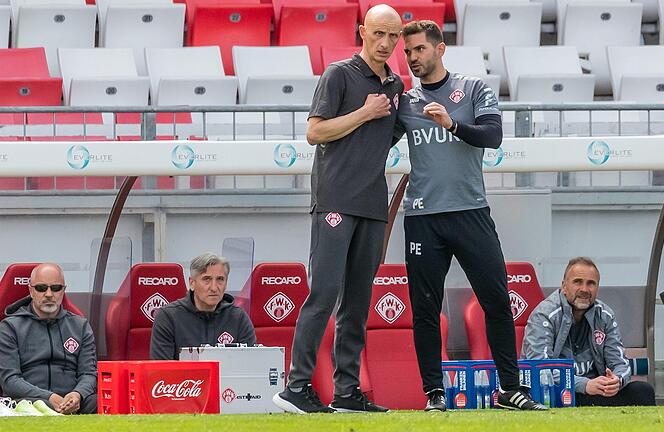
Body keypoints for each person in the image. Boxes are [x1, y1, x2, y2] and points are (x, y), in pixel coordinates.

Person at [394, 20, 546, 411]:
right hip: (423, 218)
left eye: (419, 50)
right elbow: (376, 142)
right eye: (407, 52)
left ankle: (509, 390)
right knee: (425, 310)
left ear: (440, 48)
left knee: (496, 301)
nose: (412, 58)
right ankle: (434, 394)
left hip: (471, 212)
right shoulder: (405, 101)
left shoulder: (474, 88)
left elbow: (492, 138)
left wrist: (451, 123)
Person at [273, 4, 405, 415]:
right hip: (334, 199)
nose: (385, 43)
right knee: (325, 291)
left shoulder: (397, 84)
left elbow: (388, 134)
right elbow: (315, 131)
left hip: (372, 203)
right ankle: (296, 387)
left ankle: (347, 391)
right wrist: (365, 112)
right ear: (362, 31)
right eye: (378, 33)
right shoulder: (338, 74)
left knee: (358, 301)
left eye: (393, 37)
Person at [523, 257, 656, 406]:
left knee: (642, 390)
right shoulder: (543, 315)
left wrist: (616, 381)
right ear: (564, 286)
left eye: (591, 283)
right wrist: (584, 385)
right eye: (577, 282)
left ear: (597, 288)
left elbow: (620, 364)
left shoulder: (605, 315)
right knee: (551, 391)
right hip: (556, 393)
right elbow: (541, 370)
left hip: (595, 391)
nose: (584, 289)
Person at [0, 263, 97, 414]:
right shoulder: (9, 328)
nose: (49, 294)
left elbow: (89, 374)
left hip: (74, 401)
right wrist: (49, 397)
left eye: (56, 288)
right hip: (29, 401)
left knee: (101, 402)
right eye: (41, 288)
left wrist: (78, 394)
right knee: (33, 406)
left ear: (64, 290)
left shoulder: (80, 326)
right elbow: (10, 381)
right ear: (31, 290)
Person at [150, 252, 255, 360]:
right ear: (192, 283)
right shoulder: (168, 317)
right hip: (182, 377)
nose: (214, 287)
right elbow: (160, 370)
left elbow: (250, 365)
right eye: (207, 279)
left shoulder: (239, 318)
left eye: (220, 279)